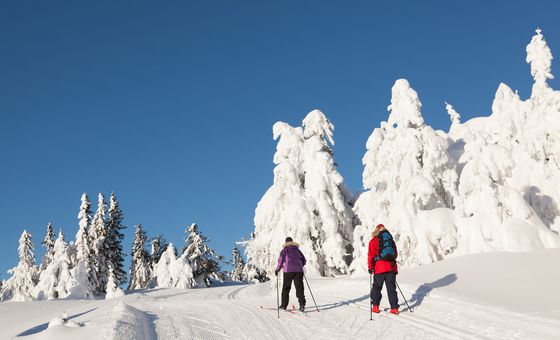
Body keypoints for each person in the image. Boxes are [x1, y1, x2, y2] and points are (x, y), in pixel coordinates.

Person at [368, 223, 399, 315]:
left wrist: (370, 267)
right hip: (391, 268)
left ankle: (376, 307)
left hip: (379, 268)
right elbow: (395, 254)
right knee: (391, 289)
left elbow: (371, 255)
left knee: (377, 287)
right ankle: (394, 308)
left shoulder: (373, 241)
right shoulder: (391, 241)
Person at [275, 237, 307, 311]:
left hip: (288, 271)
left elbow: (281, 260)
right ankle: (302, 305)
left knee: (286, 288)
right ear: (292, 242)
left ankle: (283, 305)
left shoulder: (285, 250)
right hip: (299, 271)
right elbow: (304, 260)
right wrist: (299, 265)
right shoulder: (297, 250)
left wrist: (277, 269)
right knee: (299, 288)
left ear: (286, 242)